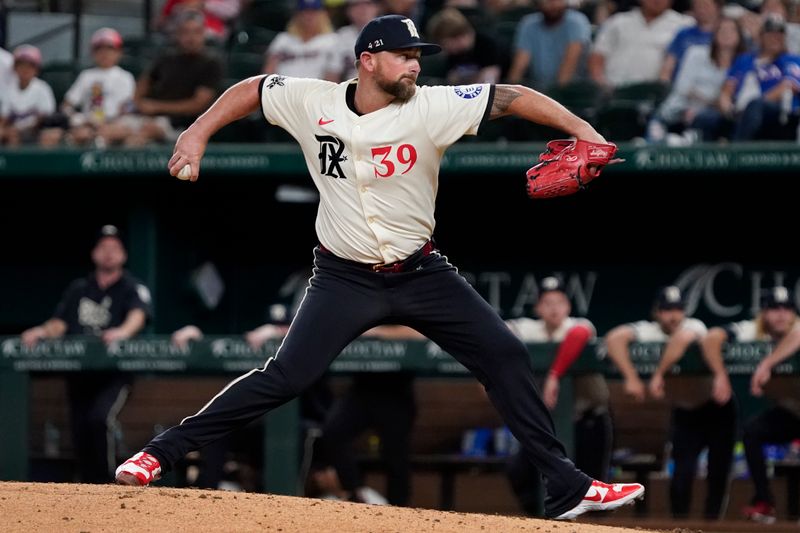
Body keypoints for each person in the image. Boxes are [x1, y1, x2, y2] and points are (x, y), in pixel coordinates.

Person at [115, 14, 644, 520]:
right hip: (344, 277)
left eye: (418, 56)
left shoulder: (433, 106)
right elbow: (252, 87)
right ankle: (159, 454)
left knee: (504, 353)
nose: (415, 65)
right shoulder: (313, 100)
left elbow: (514, 97)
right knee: (285, 376)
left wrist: (585, 130)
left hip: (421, 272)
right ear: (368, 60)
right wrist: (197, 132)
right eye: (404, 56)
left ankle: (567, 487)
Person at [20, 225, 152, 483]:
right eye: (103, 248)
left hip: (114, 373)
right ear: (94, 253)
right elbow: (60, 323)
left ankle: (109, 483)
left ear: (124, 255)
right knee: (80, 430)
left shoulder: (131, 287)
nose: (109, 254)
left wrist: (122, 331)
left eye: (115, 248)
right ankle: (88, 488)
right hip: (80, 374)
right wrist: (41, 331)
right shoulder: (79, 288)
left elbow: (138, 315)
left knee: (99, 419)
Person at [606, 286, 735, 520]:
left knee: (718, 473)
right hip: (685, 413)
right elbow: (614, 338)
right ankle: (680, 526)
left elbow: (682, 339)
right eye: (667, 310)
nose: (673, 315)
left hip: (716, 408)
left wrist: (658, 375)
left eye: (678, 309)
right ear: (657, 312)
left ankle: (714, 526)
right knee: (681, 477)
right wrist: (631, 377)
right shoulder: (649, 330)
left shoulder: (693, 325)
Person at [504, 276, 611, 516]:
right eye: (547, 302)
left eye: (559, 302)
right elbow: (499, 331)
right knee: (519, 471)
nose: (554, 308)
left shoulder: (578, 324)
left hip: (587, 420)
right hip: (547, 426)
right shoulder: (529, 328)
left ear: (568, 307)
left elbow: (580, 334)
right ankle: (537, 523)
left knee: (594, 486)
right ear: (538, 308)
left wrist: (554, 375)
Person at [703, 286, 800, 523]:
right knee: (752, 432)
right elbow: (712, 337)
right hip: (792, 412)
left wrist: (766, 364)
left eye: (786, 308)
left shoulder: (797, 329)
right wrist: (720, 374)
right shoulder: (753, 331)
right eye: (774, 308)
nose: (780, 314)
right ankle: (764, 501)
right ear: (763, 313)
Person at [119, 9, 223, 146]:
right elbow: (144, 83)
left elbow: (198, 104)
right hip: (148, 118)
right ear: (178, 35)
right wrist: (138, 103)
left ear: (204, 34)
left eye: (196, 32)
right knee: (112, 130)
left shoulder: (211, 63)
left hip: (183, 126)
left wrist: (156, 107)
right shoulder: (166, 58)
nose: (191, 38)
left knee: (136, 140)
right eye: (186, 32)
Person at [647, 16, 746, 142]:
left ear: (740, 36)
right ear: (714, 35)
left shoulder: (743, 62)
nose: (726, 34)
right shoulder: (696, 53)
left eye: (732, 30)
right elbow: (683, 88)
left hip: (714, 117)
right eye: (722, 30)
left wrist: (713, 103)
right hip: (678, 111)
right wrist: (713, 101)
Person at [42, 28, 136, 148]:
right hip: (88, 123)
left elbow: (128, 108)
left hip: (115, 124)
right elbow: (67, 105)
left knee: (124, 131)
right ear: (93, 53)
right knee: (54, 136)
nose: (104, 53)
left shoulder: (125, 77)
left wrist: (108, 123)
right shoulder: (86, 75)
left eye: (109, 48)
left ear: (119, 52)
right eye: (99, 49)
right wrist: (77, 119)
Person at [718, 14, 800, 141]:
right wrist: (728, 108)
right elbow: (727, 89)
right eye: (771, 34)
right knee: (705, 119)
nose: (775, 38)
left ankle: (737, 153)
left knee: (755, 106)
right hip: (739, 112)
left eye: (779, 35)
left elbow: (789, 85)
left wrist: (749, 107)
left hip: (779, 113)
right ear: (761, 37)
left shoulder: (792, 60)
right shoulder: (744, 60)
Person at [589, 0, 693, 89]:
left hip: (653, 93)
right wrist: (601, 84)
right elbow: (598, 56)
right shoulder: (618, 21)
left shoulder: (685, 25)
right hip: (612, 89)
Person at [506, 0, 592, 89]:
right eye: (547, 1)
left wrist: (554, 95)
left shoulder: (577, 21)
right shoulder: (528, 24)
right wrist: (510, 93)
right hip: (538, 89)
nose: (553, 5)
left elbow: (569, 66)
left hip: (572, 91)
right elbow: (519, 66)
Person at [262, 0, 338, 79]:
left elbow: (333, 75)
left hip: (315, 89)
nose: (308, 17)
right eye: (304, 12)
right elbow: (268, 72)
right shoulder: (283, 39)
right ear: (297, 15)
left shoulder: (332, 40)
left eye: (313, 12)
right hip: (284, 88)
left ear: (323, 15)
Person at [0, 44, 56, 146]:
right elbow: (4, 117)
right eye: (21, 65)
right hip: (15, 131)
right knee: (8, 134)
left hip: (36, 131)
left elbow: (45, 117)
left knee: (49, 136)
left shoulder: (42, 88)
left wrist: (23, 128)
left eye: (30, 66)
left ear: (36, 70)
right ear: (15, 68)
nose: (25, 70)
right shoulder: (9, 89)